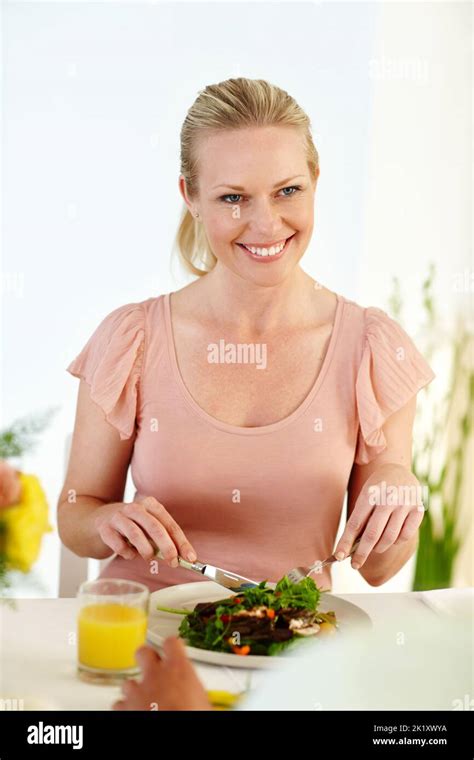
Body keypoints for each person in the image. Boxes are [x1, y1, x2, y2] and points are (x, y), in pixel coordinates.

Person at [57, 77, 435, 596]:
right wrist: (105, 523)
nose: (265, 223)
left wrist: (403, 490)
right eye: (233, 197)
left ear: (315, 181)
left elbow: (378, 569)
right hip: (146, 638)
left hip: (292, 651)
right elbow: (77, 511)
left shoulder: (371, 349)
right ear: (190, 196)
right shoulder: (132, 339)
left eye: (288, 191)